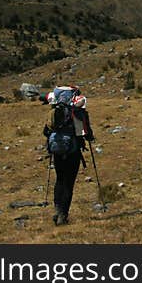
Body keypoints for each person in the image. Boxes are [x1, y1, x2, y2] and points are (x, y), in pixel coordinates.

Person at [41, 85, 94, 226]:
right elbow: (87, 134)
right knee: (69, 183)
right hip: (73, 151)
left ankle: (57, 210)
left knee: (60, 179)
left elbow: (46, 131)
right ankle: (63, 215)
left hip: (57, 151)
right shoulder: (77, 112)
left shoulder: (55, 111)